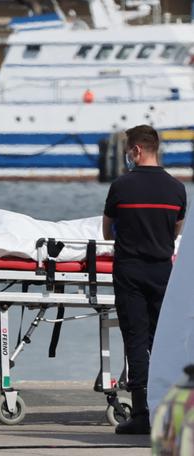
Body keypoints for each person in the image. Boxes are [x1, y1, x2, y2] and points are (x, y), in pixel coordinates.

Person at [102, 124, 186, 435]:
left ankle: (141, 413)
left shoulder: (121, 187)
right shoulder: (177, 189)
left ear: (137, 151)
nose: (126, 155)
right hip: (163, 271)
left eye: (128, 150)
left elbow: (106, 231)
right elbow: (176, 231)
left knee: (136, 342)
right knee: (164, 343)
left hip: (130, 271)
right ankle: (169, 412)